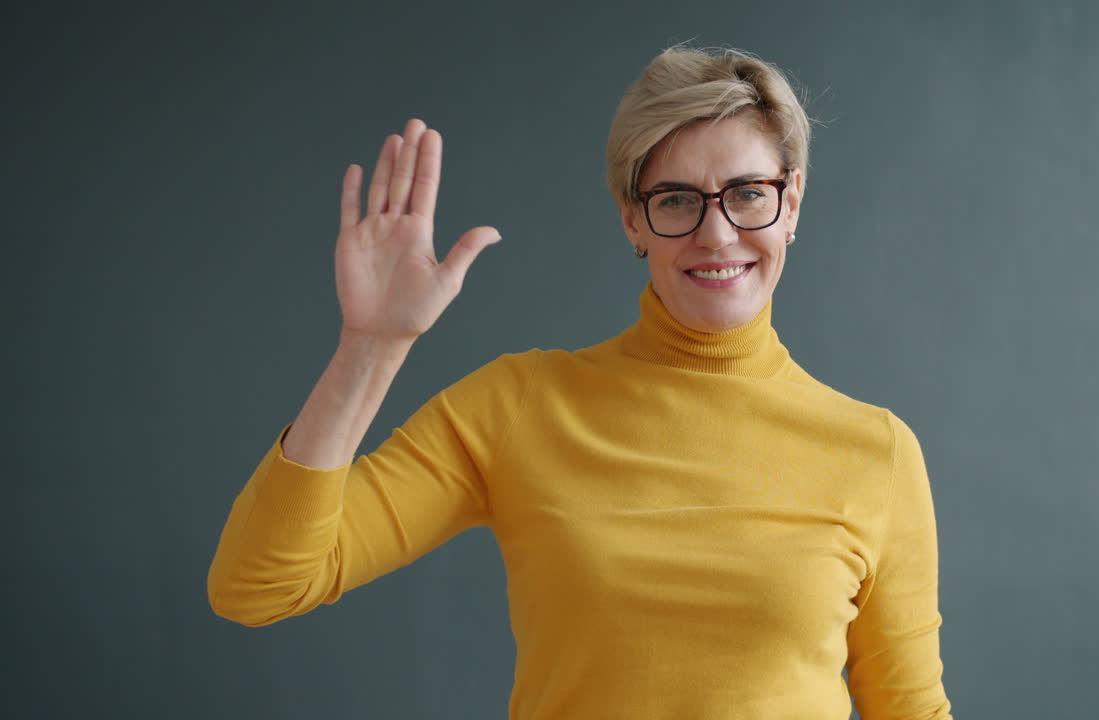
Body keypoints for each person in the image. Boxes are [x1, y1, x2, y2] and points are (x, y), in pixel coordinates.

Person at [207, 45, 953, 720]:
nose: (716, 233)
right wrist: (371, 348)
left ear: (789, 204)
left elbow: (912, 711)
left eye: (748, 193)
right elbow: (257, 584)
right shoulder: (521, 405)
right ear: (632, 219)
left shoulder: (874, 452)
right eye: (676, 200)